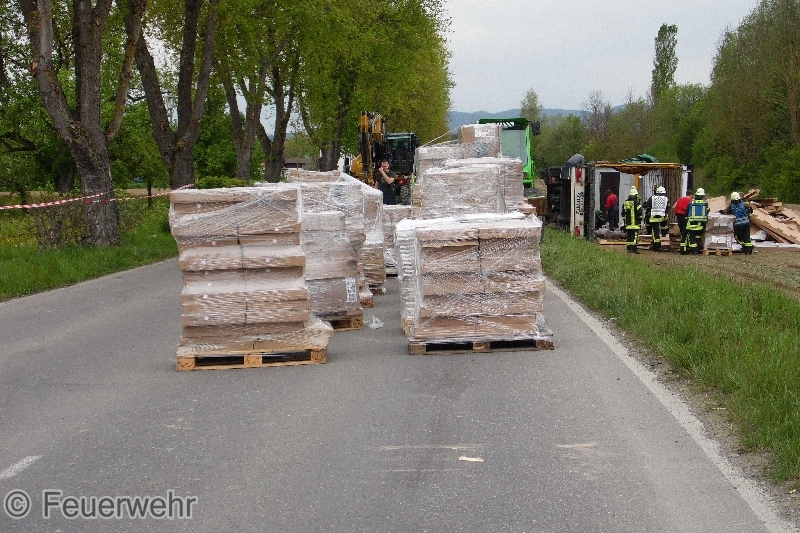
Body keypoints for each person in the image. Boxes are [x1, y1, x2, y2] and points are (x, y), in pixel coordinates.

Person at [684, 188, 710, 255]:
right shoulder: (705, 203)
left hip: (692, 223)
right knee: (698, 236)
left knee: (692, 237)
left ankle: (694, 251)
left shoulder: (692, 202)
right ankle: (698, 249)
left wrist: (685, 218)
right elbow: (707, 211)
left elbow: (687, 212)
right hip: (701, 223)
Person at [643, 186, 670, 251]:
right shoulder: (666, 199)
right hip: (662, 217)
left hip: (654, 218)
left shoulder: (652, 198)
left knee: (655, 233)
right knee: (664, 226)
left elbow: (644, 206)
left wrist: (649, 208)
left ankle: (657, 247)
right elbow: (667, 208)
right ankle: (664, 235)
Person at [622, 186, 643, 254]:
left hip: (628, 224)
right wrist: (640, 220)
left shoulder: (625, 203)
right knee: (634, 236)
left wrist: (625, 222)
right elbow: (639, 213)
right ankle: (634, 249)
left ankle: (629, 248)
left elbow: (623, 213)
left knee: (629, 236)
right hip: (634, 224)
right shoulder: (636, 203)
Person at [674, 190, 693, 254]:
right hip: (685, 217)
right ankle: (685, 249)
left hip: (679, 217)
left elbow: (674, 207)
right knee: (686, 233)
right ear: (691, 195)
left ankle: (683, 248)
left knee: (682, 232)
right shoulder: (691, 200)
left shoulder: (680, 199)